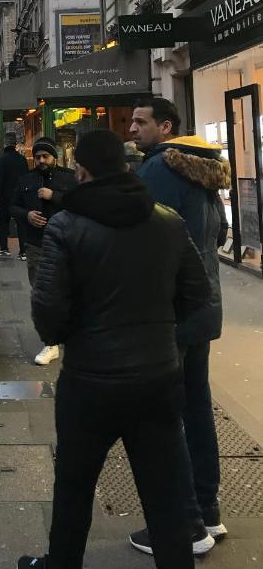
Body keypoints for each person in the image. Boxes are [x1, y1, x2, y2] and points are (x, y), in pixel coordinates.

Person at [19, 130, 210, 569]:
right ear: (125, 168)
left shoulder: (66, 225)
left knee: (74, 488)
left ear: (81, 170)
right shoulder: (166, 219)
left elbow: (48, 316)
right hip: (157, 378)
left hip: (89, 382)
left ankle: (61, 564)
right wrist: (158, 322)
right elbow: (197, 296)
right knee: (164, 495)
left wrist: (79, 332)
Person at [129, 97, 231, 555]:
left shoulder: (158, 171)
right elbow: (221, 234)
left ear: (165, 126)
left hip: (168, 311)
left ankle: (183, 526)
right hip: (203, 304)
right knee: (195, 406)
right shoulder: (204, 170)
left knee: (163, 418)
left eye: (140, 122)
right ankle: (206, 508)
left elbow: (138, 236)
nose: (132, 129)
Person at [10, 136, 76, 366]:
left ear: (54, 157)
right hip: (36, 244)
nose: (40, 160)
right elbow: (13, 206)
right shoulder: (26, 179)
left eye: (45, 156)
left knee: (68, 290)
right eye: (37, 157)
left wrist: (54, 196)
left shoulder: (69, 178)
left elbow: (80, 202)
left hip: (66, 244)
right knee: (41, 293)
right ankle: (50, 343)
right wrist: (26, 215)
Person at [0, 133, 29, 258]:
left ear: (5, 143)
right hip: (20, 197)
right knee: (21, 223)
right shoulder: (22, 159)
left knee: (3, 222)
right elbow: (26, 178)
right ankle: (23, 251)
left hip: (5, 197)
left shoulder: (2, 159)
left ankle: (4, 248)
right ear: (15, 144)